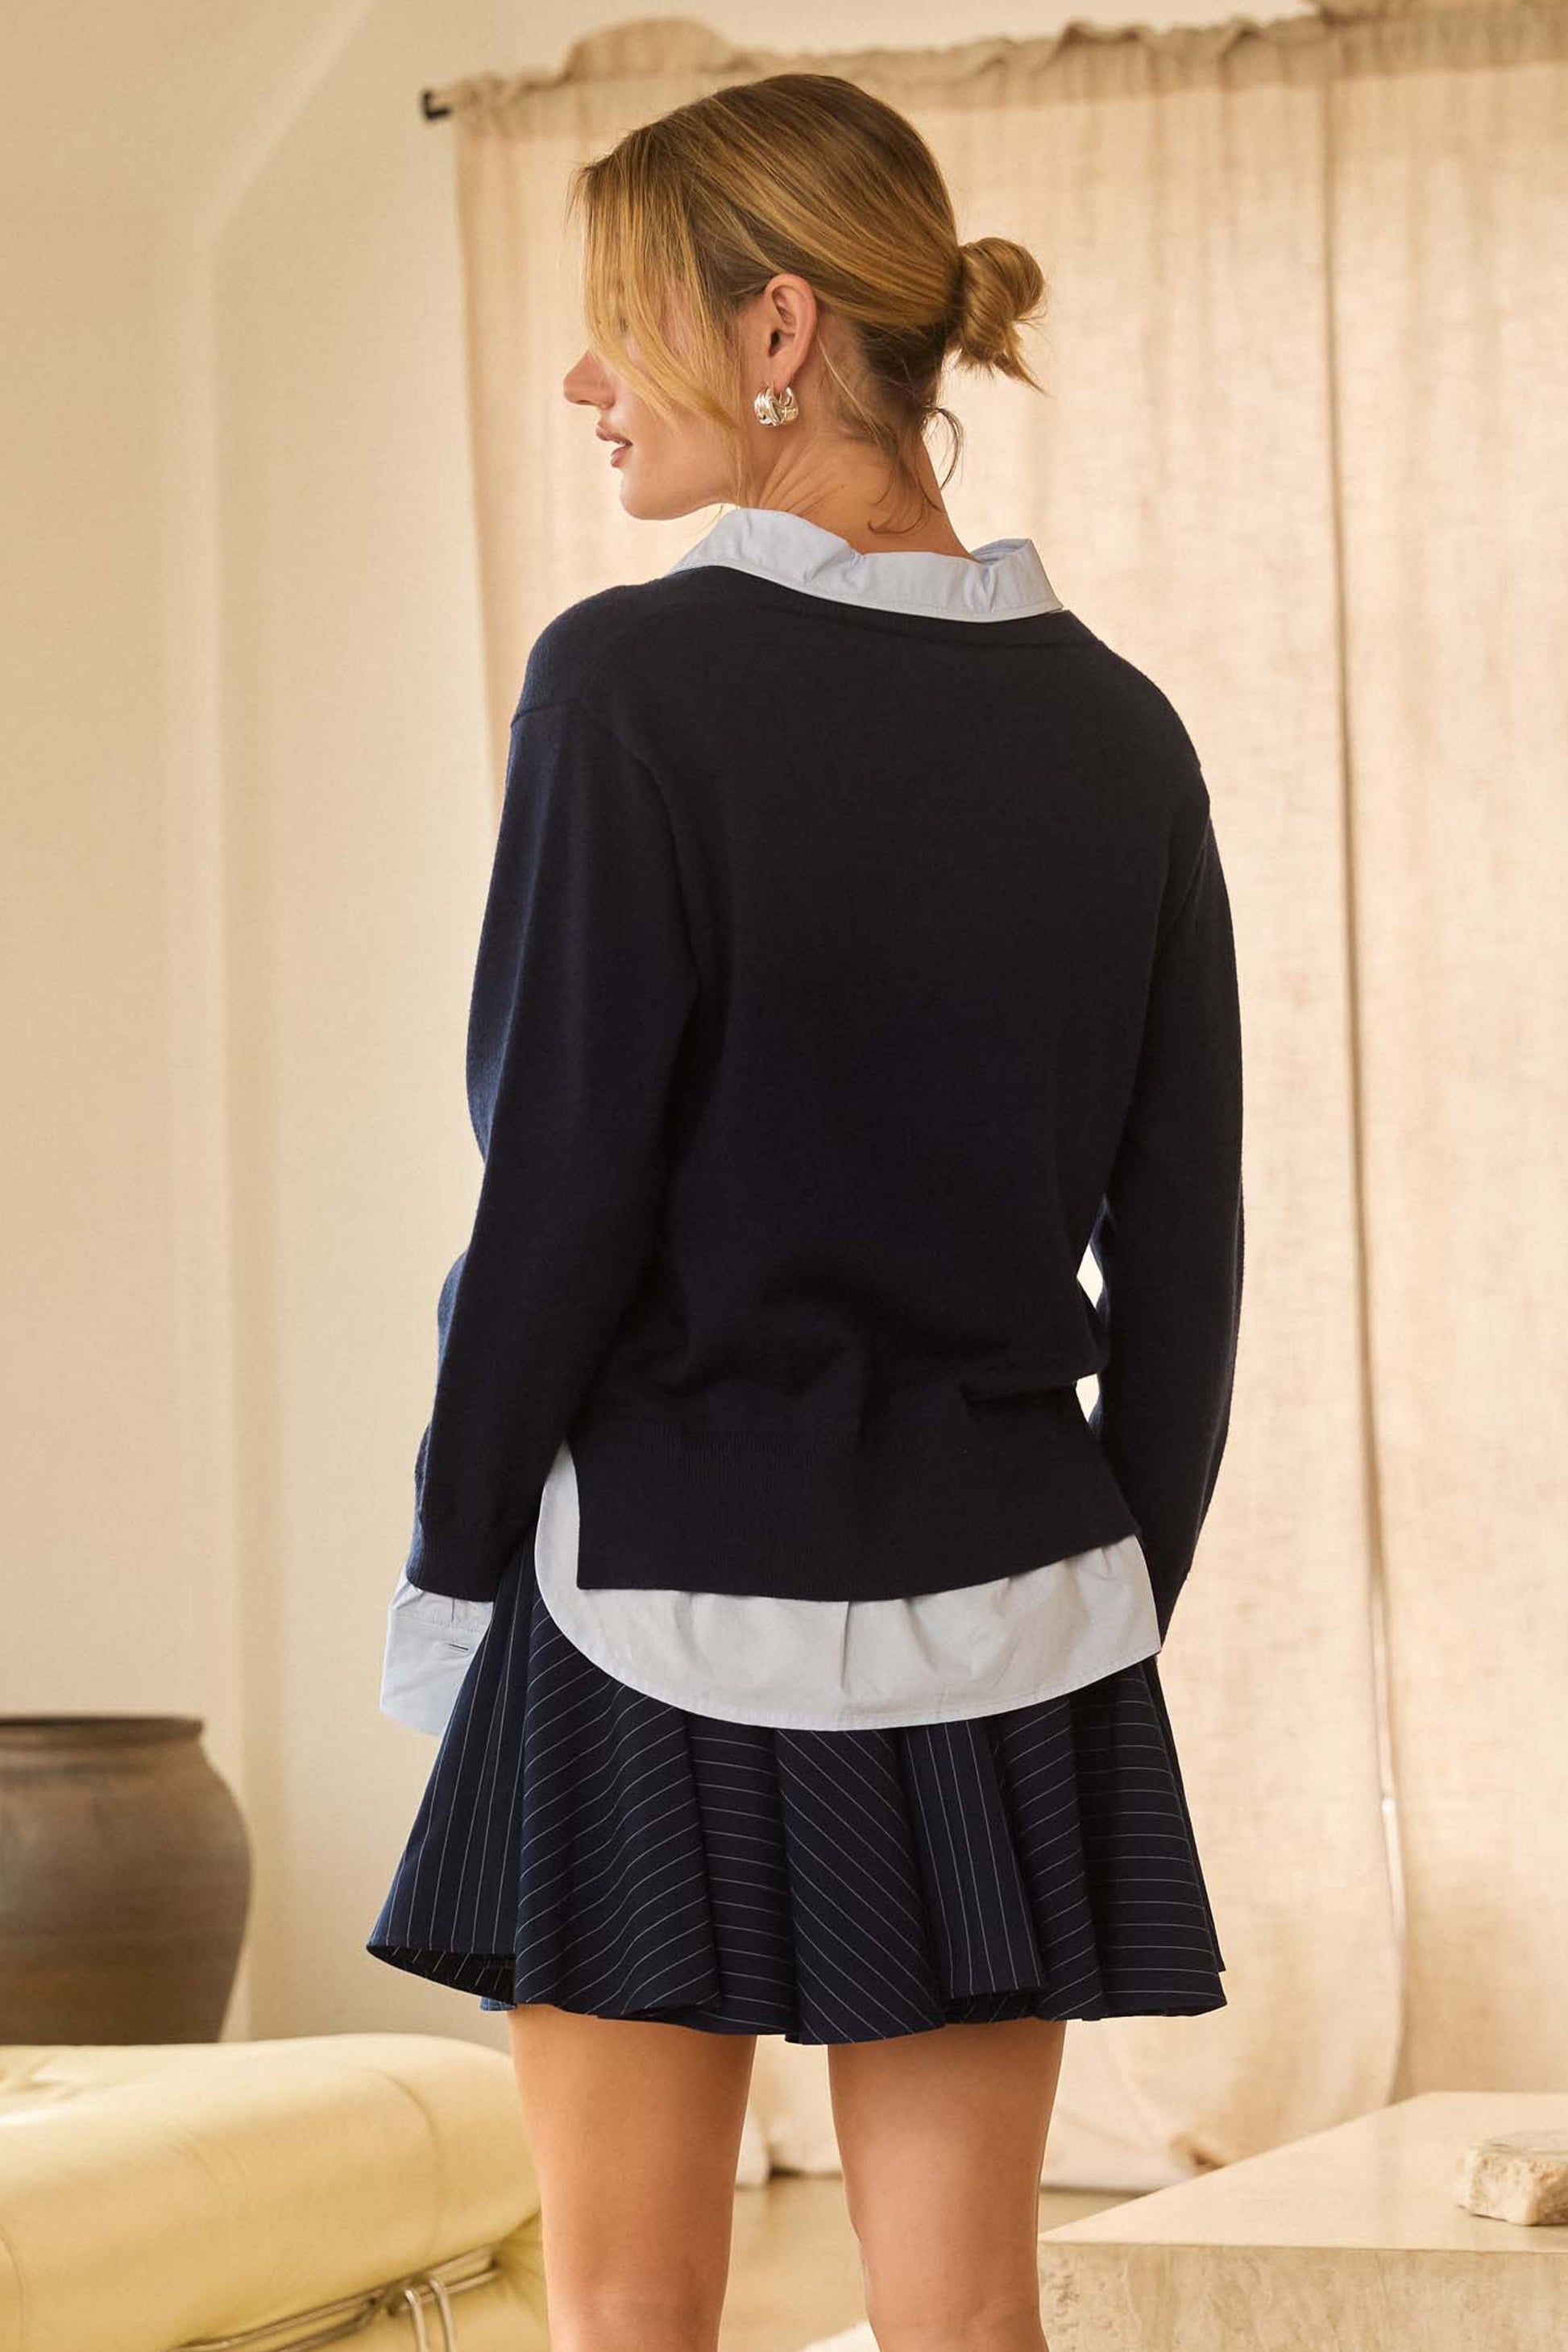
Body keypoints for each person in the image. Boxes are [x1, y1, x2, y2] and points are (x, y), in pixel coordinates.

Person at [367, 68, 1244, 2352]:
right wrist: (1112, 1583)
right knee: (970, 2323)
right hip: (1011, 1603)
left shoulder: (627, 683)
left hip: (648, 1592)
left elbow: (558, 1198)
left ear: (776, 332)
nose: (584, 380)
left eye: (620, 321)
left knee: (629, 2316)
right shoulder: (1121, 732)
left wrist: (452, 1564)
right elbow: (1186, 1244)